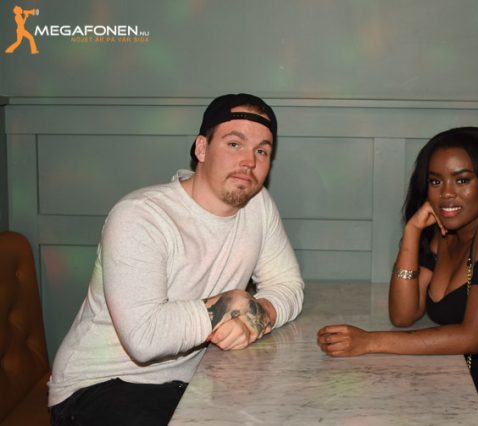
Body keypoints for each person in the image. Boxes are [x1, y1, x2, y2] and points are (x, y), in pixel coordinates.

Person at [49, 93, 305, 425]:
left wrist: (257, 318)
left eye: (261, 151)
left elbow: (288, 286)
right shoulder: (141, 216)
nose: (249, 162)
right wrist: (232, 304)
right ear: (202, 149)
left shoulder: (258, 206)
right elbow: (144, 338)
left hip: (189, 383)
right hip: (98, 386)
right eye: (234, 144)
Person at [317, 127, 478, 425]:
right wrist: (411, 232)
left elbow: (473, 337)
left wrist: (369, 342)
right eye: (435, 181)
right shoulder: (442, 237)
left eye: (462, 180)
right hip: (470, 386)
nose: (446, 193)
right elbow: (403, 314)